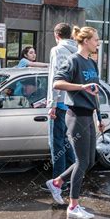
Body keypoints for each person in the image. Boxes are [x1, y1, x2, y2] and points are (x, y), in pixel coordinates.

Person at [45, 26, 104, 219]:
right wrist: (81, 87)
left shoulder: (92, 63)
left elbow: (95, 91)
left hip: (89, 115)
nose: (98, 42)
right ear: (86, 41)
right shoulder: (73, 61)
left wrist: (100, 117)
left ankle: (57, 182)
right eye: (96, 39)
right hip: (75, 115)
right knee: (81, 161)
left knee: (90, 160)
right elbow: (56, 83)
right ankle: (73, 205)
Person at [47, 23, 77, 180]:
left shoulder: (57, 50)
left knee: (56, 144)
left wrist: (51, 104)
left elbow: (55, 77)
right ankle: (73, 177)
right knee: (66, 143)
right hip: (72, 104)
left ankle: (58, 182)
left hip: (59, 103)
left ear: (56, 35)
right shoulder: (77, 50)